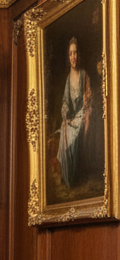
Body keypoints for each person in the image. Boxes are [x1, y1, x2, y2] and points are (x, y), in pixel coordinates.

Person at [57, 36, 93, 188]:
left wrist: (86, 104)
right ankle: (68, 177)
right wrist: (65, 113)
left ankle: (74, 176)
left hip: (82, 114)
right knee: (65, 128)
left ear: (79, 55)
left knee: (77, 131)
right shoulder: (67, 80)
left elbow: (89, 96)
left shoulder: (84, 75)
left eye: (75, 53)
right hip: (72, 118)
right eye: (71, 53)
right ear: (68, 56)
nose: (73, 57)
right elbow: (65, 101)